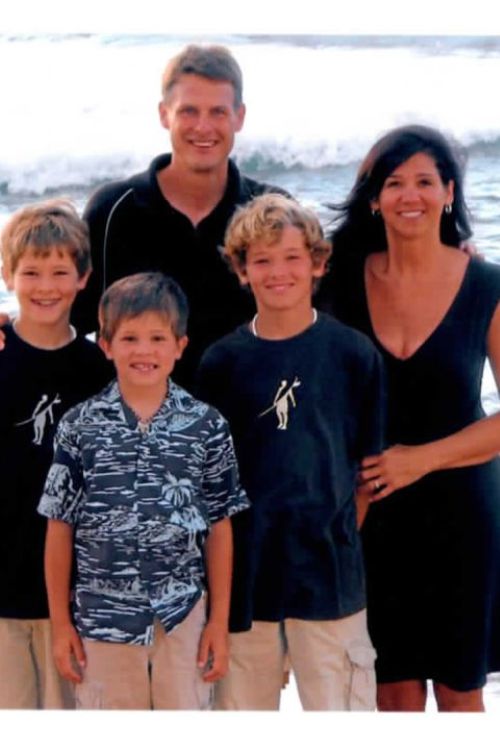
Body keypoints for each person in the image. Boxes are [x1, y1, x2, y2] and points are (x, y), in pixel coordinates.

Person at [319, 124, 500, 711]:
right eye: (393, 183)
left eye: (425, 181)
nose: (410, 195)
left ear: (449, 192)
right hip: (372, 514)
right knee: (391, 695)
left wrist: (418, 460)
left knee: (459, 693)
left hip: (464, 514)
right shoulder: (339, 281)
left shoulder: (487, 284)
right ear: (373, 198)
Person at [196, 194, 385, 710]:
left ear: (318, 263)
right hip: (245, 584)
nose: (278, 272)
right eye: (261, 260)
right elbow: (210, 488)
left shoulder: (352, 354)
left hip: (330, 579)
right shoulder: (221, 363)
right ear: (241, 271)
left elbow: (369, 473)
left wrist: (336, 536)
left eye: (292, 257)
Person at [38, 271, 250, 710]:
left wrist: (218, 623)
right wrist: (61, 626)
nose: (144, 351)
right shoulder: (79, 427)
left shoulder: (206, 426)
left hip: (183, 617)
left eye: (157, 338)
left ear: (180, 346)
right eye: (130, 338)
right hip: (102, 620)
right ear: (107, 345)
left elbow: (220, 527)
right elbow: (59, 528)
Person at [70, 44, 287, 391]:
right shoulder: (112, 210)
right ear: (164, 114)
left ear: (239, 116)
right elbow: (66, 320)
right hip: (138, 428)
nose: (203, 127)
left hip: (246, 422)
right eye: (188, 111)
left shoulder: (270, 211)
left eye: (218, 112)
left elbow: (310, 320)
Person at [0, 199, 112, 709]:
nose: (46, 286)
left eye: (60, 271)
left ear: (84, 278)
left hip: (72, 598)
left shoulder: (98, 369)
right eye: (31, 272)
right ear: (8, 274)